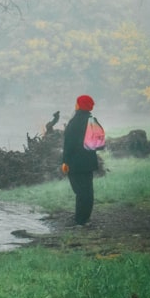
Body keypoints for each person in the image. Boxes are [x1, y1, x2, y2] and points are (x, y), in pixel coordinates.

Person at [61, 94, 99, 225]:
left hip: (75, 163)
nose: (75, 105)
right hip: (89, 162)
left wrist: (65, 161)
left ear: (79, 105)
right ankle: (85, 218)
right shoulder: (92, 120)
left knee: (79, 191)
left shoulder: (74, 122)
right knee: (88, 190)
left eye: (76, 103)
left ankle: (79, 220)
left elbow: (68, 144)